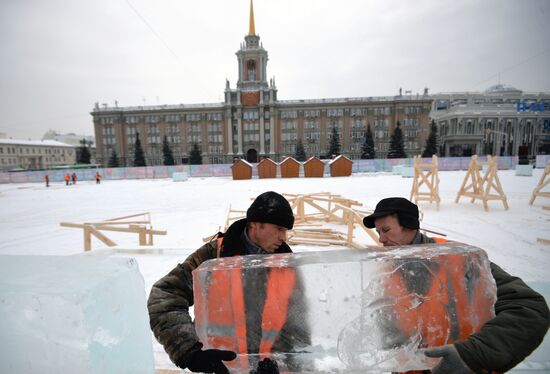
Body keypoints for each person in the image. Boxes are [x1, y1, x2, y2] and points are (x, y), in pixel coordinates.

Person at [362, 197, 550, 374]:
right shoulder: (386, 273)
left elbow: (529, 308)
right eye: (378, 232)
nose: (381, 239)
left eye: (385, 230)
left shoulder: (460, 259)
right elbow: (389, 337)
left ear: (410, 226)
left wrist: (470, 355)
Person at [148, 191, 310, 373]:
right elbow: (165, 296)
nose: (284, 237)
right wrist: (189, 351)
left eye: (286, 231)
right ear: (255, 224)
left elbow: (298, 331)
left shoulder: (287, 266)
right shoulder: (214, 256)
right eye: (279, 229)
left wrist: (288, 367)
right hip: (222, 369)